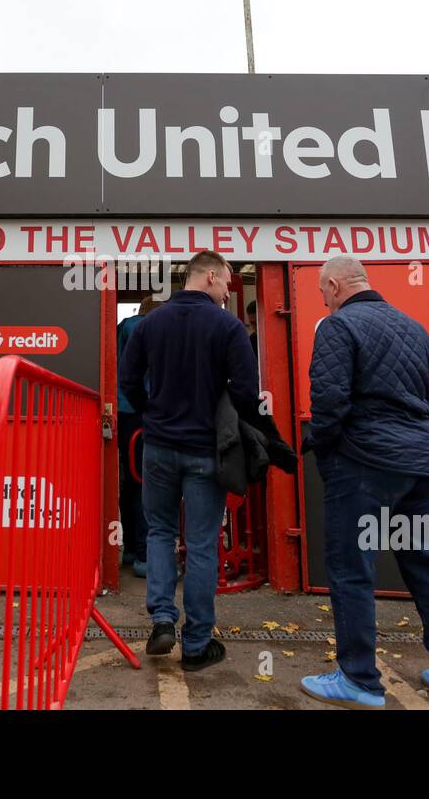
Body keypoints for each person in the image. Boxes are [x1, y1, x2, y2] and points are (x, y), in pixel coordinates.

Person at [300, 256, 429, 709]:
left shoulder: (336, 327)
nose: (323, 299)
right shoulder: (414, 328)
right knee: (427, 567)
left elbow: (329, 400)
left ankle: (359, 680)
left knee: (351, 569)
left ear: (336, 285)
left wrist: (322, 446)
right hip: (419, 466)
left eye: (323, 290)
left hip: (361, 464)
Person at [118, 250, 258, 671]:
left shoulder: (151, 324)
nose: (228, 289)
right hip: (205, 451)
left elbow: (127, 381)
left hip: (158, 445)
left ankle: (162, 619)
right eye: (227, 280)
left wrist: (151, 414)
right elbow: (247, 394)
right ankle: (196, 643)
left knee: (160, 532)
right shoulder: (229, 326)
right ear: (210, 275)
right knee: (200, 545)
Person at [115, 294, 156, 577]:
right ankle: (144, 555)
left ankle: (131, 548)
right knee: (146, 483)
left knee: (130, 483)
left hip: (121, 410)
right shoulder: (149, 329)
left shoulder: (123, 327)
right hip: (143, 411)